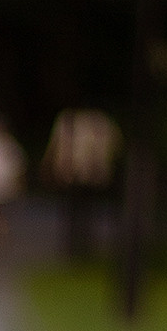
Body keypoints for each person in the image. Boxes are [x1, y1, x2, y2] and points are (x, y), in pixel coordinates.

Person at [42, 107, 120, 259]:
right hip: (73, 173)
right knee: (76, 210)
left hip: (87, 174)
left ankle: (81, 247)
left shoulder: (97, 121)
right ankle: (75, 247)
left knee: (83, 211)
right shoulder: (71, 120)